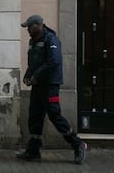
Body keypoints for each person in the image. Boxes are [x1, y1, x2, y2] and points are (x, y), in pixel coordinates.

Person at [16, 14, 87, 164]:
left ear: (38, 25)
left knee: (55, 115)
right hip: (37, 85)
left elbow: (53, 62)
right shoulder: (33, 41)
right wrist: (28, 75)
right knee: (35, 116)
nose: (28, 30)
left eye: (29, 26)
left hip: (49, 85)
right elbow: (33, 62)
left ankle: (78, 144)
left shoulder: (51, 39)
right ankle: (33, 150)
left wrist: (37, 76)